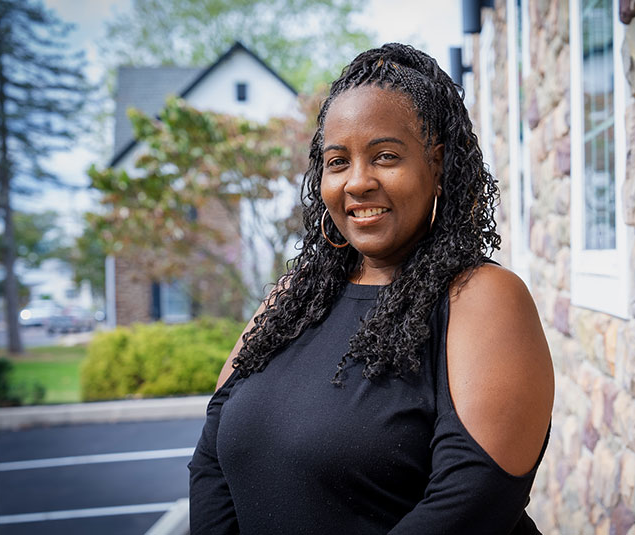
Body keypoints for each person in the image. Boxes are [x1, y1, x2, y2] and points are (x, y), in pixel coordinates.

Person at [188, 43, 554, 534]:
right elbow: (212, 455)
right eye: (338, 162)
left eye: (385, 156)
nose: (357, 182)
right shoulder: (294, 296)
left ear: (438, 167)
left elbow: (471, 498)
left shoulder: (480, 297)